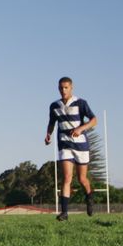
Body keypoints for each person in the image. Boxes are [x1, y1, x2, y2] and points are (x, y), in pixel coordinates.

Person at [44, 76, 98, 221]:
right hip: (64, 144)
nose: (63, 90)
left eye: (66, 87)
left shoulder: (81, 103)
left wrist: (81, 128)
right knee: (67, 177)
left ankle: (89, 197)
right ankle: (64, 212)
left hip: (81, 145)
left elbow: (94, 120)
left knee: (82, 179)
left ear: (71, 88)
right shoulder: (54, 106)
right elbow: (51, 123)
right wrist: (48, 134)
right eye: (61, 88)